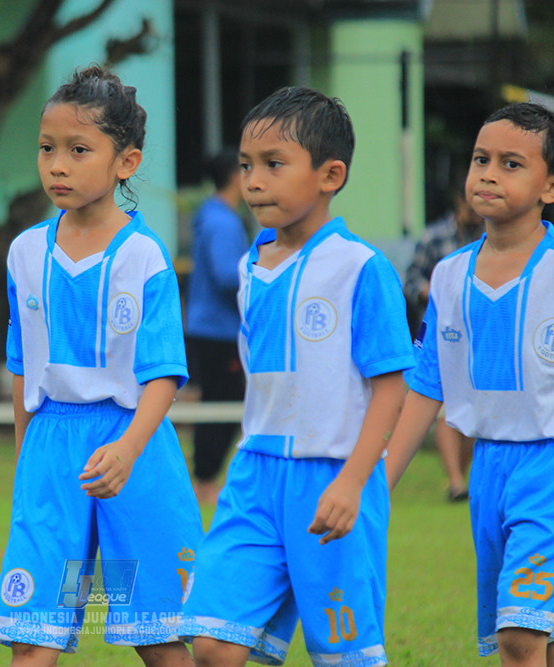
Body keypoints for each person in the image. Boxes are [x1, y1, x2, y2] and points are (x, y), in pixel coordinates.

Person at [181, 86, 414, 667]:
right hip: (254, 476)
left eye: (273, 165)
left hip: (331, 476)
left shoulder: (361, 268)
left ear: (330, 174)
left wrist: (353, 482)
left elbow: (392, 385)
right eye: (246, 166)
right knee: (212, 643)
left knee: (341, 657)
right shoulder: (249, 265)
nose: (253, 180)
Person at [0, 65, 204, 666]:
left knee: (154, 632)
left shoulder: (144, 256)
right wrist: (26, 461)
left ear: (125, 163)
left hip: (132, 447)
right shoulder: (24, 252)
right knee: (34, 635)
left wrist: (129, 450)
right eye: (47, 148)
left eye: (79, 150)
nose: (57, 164)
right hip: (52, 452)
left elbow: (163, 376)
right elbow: (22, 367)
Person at [386, 103, 554, 666]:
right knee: (539, 634)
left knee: (519, 637)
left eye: (510, 164)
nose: (487, 174)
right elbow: (426, 385)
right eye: (481, 159)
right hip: (489, 472)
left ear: (553, 185)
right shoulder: (449, 277)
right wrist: (377, 481)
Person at [403, 186, 484, 501]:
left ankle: (462, 478)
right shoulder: (435, 237)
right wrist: (430, 293)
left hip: (480, 340)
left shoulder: (492, 239)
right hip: (444, 339)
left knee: (472, 413)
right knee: (445, 410)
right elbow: (410, 280)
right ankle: (455, 483)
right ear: (460, 201)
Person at [184, 149, 255, 505]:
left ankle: (205, 480)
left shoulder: (213, 215)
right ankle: (205, 483)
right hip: (218, 330)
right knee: (220, 406)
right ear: (234, 177)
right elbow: (229, 275)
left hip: (211, 327)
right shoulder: (222, 222)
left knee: (220, 404)